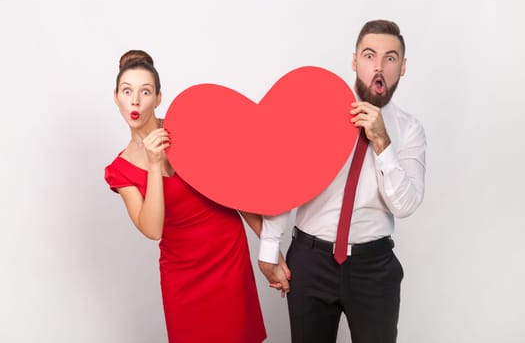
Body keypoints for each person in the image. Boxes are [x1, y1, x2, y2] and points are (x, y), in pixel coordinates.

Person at [257, 20, 427, 343]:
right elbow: (285, 178)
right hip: (310, 261)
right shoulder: (316, 109)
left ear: (402, 67)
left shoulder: (408, 130)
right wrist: (269, 246)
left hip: (374, 268)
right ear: (354, 61)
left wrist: (382, 142)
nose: (378, 67)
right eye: (369, 55)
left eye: (390, 58)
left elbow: (404, 205)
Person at [104, 50, 267, 343]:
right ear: (116, 97)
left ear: (159, 97)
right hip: (182, 275)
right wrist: (154, 164)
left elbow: (235, 190)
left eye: (146, 91)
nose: (136, 101)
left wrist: (271, 253)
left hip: (227, 257)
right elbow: (152, 229)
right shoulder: (120, 169)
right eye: (127, 91)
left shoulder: (189, 127)